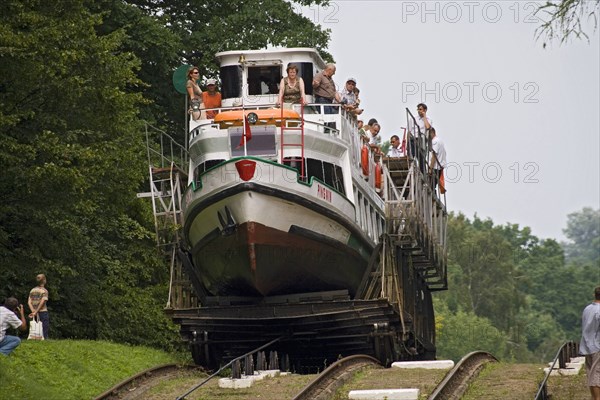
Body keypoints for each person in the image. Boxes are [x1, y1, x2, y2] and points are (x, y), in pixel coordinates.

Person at [580, 286, 600, 400]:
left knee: (591, 373)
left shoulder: (587, 309)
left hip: (586, 345)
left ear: (594, 295)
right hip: (598, 346)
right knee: (597, 374)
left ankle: (594, 397)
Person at [28, 274, 49, 339]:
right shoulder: (44, 291)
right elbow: (43, 302)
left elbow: (29, 302)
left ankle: (35, 339)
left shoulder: (32, 290)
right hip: (42, 312)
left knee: (35, 329)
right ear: (44, 280)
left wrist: (33, 311)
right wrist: (36, 311)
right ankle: (44, 341)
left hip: (34, 312)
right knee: (44, 329)